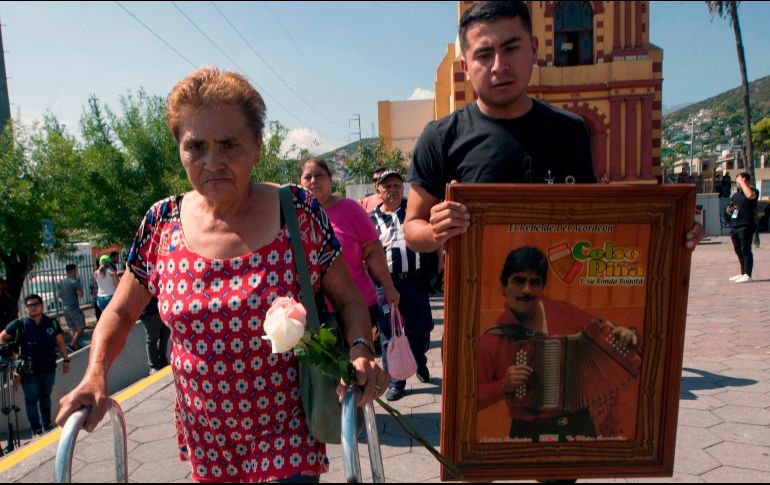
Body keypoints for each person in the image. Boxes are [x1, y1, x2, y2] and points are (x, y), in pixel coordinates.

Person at [56, 66, 389, 483]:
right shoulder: (161, 223)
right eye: (196, 146)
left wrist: (360, 349)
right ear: (179, 147)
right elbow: (121, 313)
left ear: (256, 147)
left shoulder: (297, 212)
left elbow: (349, 299)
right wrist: (95, 374)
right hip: (207, 444)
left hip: (287, 439)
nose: (212, 162)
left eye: (229, 145)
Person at [403, 1, 704, 252]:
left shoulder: (569, 131)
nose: (499, 65)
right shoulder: (440, 137)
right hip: (476, 306)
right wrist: (436, 230)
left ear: (533, 49)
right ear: (466, 66)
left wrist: (673, 230)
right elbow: (412, 227)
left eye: (511, 48)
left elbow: (590, 218)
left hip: (561, 297)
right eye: (484, 54)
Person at [477, 247, 639, 442]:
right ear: (504, 287)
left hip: (581, 424)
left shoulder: (563, 311)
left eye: (534, 282)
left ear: (542, 286)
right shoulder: (493, 340)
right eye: (519, 280)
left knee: (573, 473)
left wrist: (629, 333)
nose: (527, 290)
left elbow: (603, 331)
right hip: (530, 431)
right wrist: (503, 385)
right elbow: (469, 399)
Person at [299, 157, 400, 348]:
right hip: (313, 311)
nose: (313, 181)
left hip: (356, 306)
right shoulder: (294, 214)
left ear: (330, 179)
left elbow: (373, 250)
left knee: (357, 368)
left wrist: (388, 287)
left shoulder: (350, 209)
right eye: (308, 177)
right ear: (300, 183)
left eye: (319, 175)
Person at [369, 171, 434, 401]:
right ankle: (397, 381)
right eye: (387, 186)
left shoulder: (413, 214)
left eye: (397, 185)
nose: (392, 189)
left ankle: (418, 360)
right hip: (385, 284)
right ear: (377, 190)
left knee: (423, 329)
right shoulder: (370, 220)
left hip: (414, 282)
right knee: (389, 335)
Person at [1, 294, 70, 437]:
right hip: (28, 372)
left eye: (36, 304)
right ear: (25, 308)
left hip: (48, 368)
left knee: (46, 397)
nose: (33, 307)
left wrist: (66, 359)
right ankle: (36, 430)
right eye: (29, 305)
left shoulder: (52, 322)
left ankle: (47, 425)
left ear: (42, 305)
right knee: (31, 401)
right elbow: (2, 338)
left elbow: (60, 342)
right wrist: (13, 358)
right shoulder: (19, 324)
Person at [725, 172, 758, 283]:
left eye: (738, 180)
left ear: (745, 179)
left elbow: (750, 195)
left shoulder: (752, 191)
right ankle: (743, 272)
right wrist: (729, 211)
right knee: (738, 250)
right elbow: (732, 210)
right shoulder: (735, 195)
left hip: (746, 225)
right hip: (735, 226)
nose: (737, 183)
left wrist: (742, 182)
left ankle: (748, 274)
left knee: (745, 250)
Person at [138, 297, 169, 375]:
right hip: (149, 312)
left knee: (165, 336)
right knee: (152, 339)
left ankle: (163, 361)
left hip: (162, 308)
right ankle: (153, 366)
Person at [58, 264, 86, 350]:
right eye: (76, 269)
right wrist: (80, 287)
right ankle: (72, 344)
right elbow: (80, 295)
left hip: (65, 308)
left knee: (72, 327)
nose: (77, 271)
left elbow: (59, 295)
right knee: (81, 326)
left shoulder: (61, 281)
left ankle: (75, 346)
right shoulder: (75, 281)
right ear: (73, 270)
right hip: (73, 307)